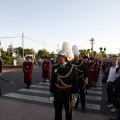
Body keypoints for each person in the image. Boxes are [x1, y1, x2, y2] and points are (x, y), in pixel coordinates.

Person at [50, 42, 79, 120]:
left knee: (68, 113)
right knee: (57, 113)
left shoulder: (72, 67)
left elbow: (75, 82)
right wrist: (51, 93)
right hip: (57, 93)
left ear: (64, 57)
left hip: (68, 94)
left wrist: (75, 94)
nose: (57, 58)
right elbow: (52, 81)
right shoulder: (54, 67)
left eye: (59, 56)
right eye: (58, 56)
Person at [71, 45, 88, 111]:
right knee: (74, 94)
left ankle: (83, 107)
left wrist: (86, 82)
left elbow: (86, 73)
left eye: (77, 56)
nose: (76, 57)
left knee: (82, 95)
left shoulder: (82, 62)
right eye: (75, 56)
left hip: (81, 81)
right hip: (74, 81)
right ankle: (75, 104)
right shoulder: (71, 63)